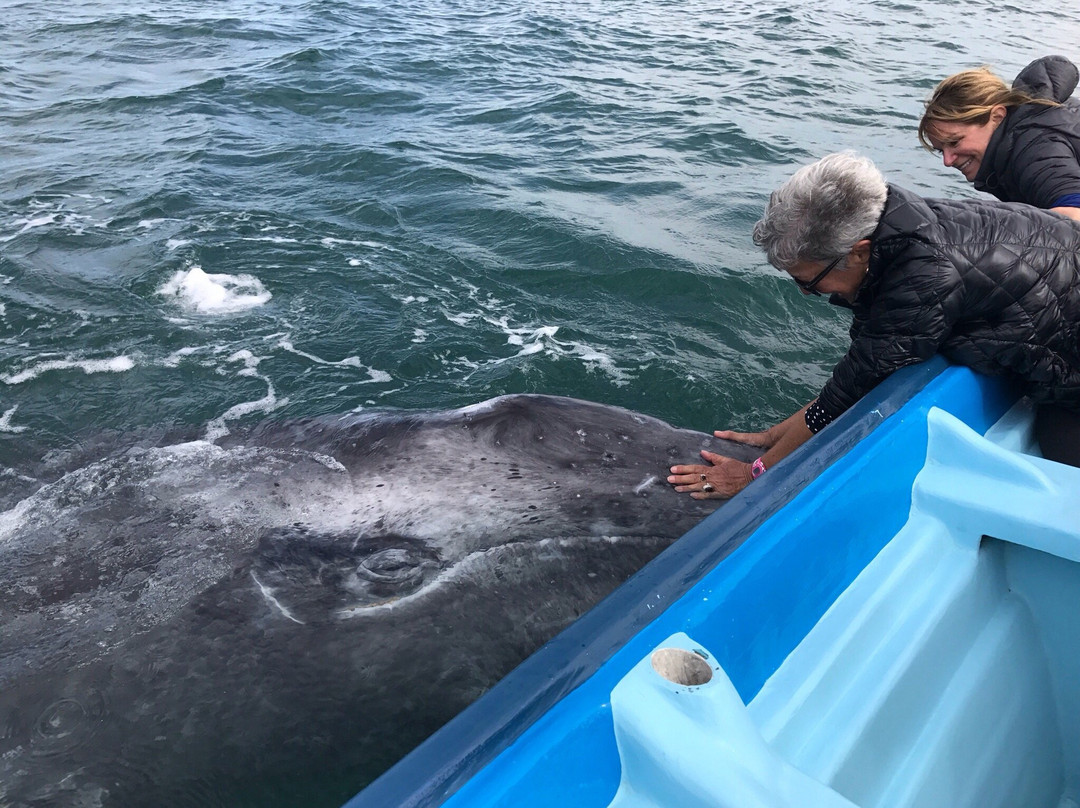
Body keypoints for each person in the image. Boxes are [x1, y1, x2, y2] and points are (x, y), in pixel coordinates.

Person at [668, 151, 1080, 500]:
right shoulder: (896, 219)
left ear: (860, 251)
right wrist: (777, 435)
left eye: (808, 281)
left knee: (1061, 473)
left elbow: (850, 391)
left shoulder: (922, 278)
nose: (808, 294)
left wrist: (754, 476)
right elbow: (857, 375)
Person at [918, 55, 1080, 222]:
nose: (947, 161)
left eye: (954, 142)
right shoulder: (1026, 128)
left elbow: (1074, 216)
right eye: (940, 150)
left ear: (996, 116)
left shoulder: (1032, 147)